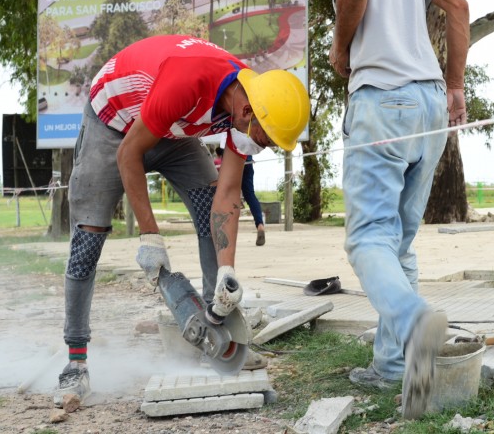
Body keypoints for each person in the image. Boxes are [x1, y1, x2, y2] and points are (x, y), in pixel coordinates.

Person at [54, 34, 310, 406]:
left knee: (209, 205)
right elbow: (129, 154)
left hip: (170, 128)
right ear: (246, 113)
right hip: (114, 123)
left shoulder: (251, 102)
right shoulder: (188, 83)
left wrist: (227, 272)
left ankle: (215, 329)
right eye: (266, 139)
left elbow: (226, 196)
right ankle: (75, 360)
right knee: (88, 238)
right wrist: (150, 237)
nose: (265, 145)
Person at [307, 0, 470, 419]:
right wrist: (454, 88)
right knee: (397, 240)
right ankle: (396, 366)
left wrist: (340, 46)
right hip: (428, 104)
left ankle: (412, 319)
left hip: (382, 99)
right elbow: (458, 6)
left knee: (366, 240)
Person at [214, 147, 265, 246]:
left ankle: (227, 232)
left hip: (232, 157)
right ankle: (260, 225)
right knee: (250, 195)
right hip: (247, 158)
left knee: (228, 195)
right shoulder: (248, 131)